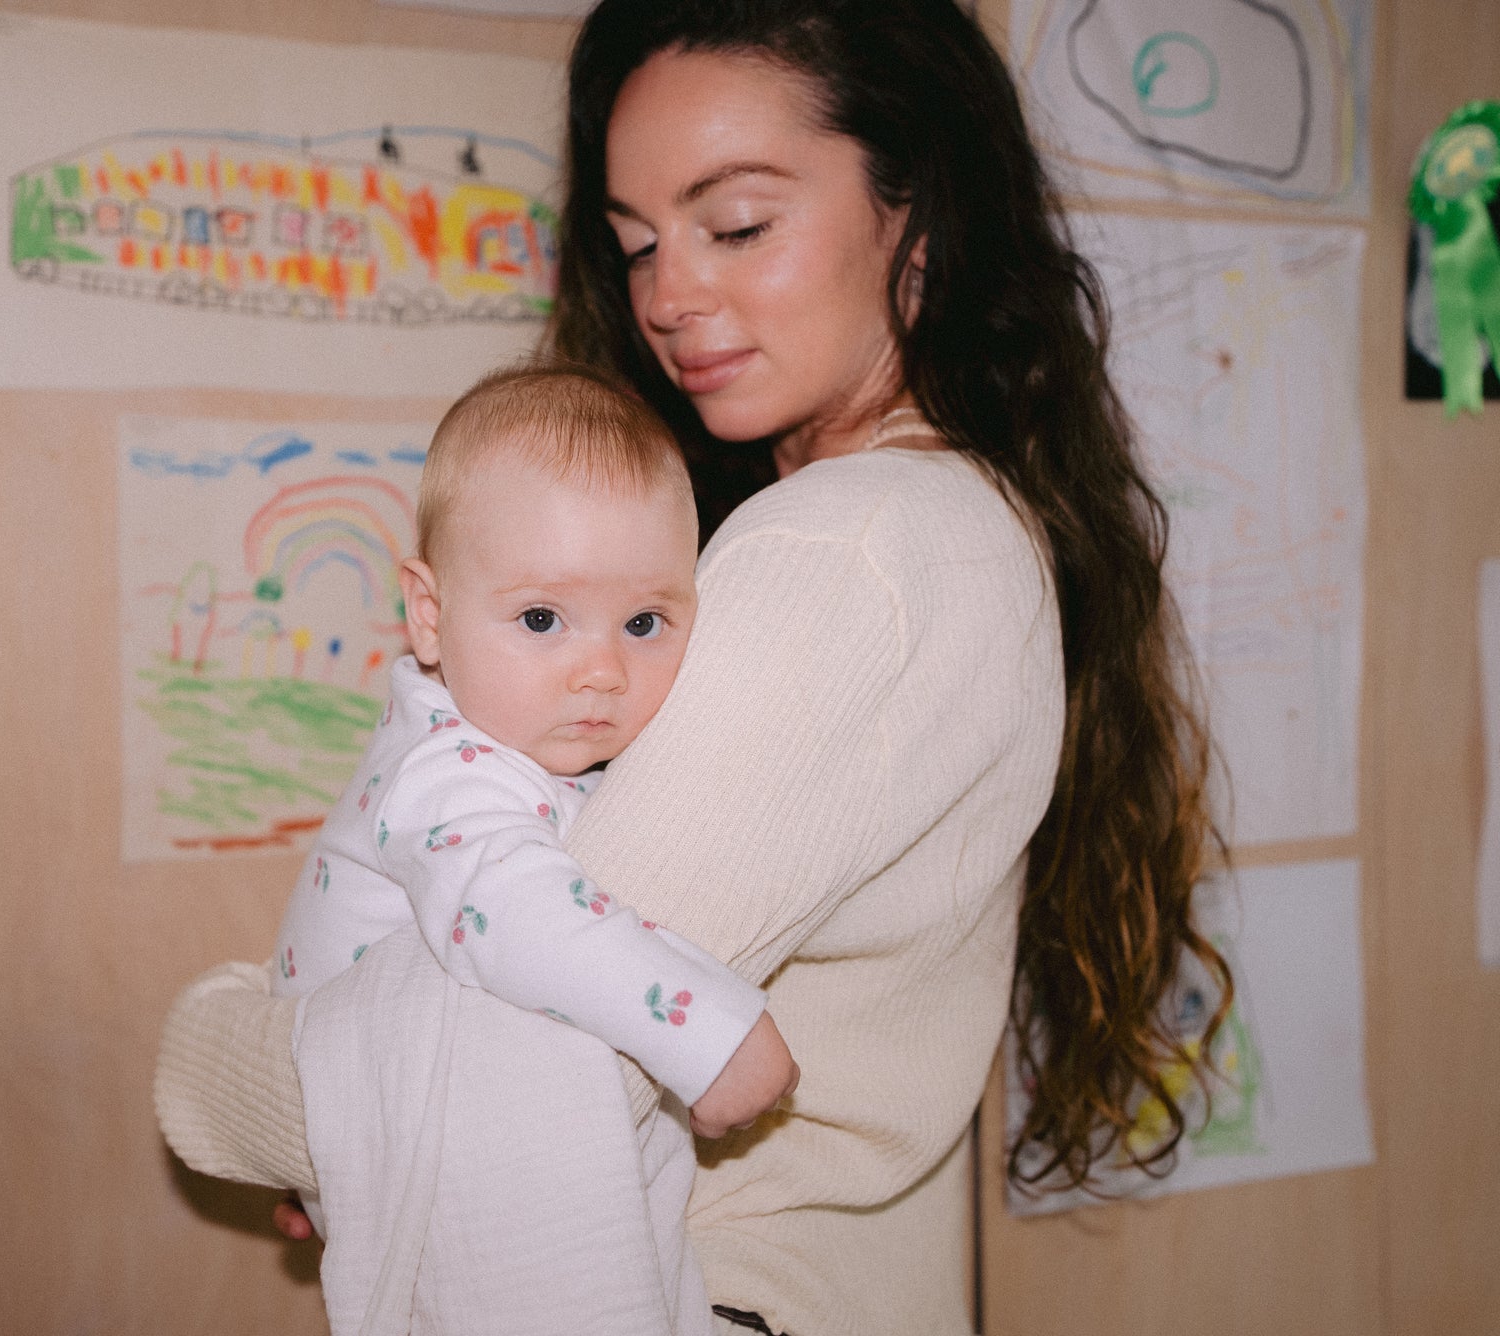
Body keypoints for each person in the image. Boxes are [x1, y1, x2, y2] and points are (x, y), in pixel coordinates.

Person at [156, 1, 1230, 1332]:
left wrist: (214, 1056)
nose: (668, 294)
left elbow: (512, 1047)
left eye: (737, 225)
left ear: (920, 209)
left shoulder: (855, 552)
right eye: (637, 243)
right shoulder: (913, 531)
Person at [268, 363, 797, 1254]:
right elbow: (521, 913)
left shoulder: (524, 739)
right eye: (544, 620)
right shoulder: (446, 771)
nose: (602, 671)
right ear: (429, 615)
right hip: (398, 1147)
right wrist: (713, 1038)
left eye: (643, 624)